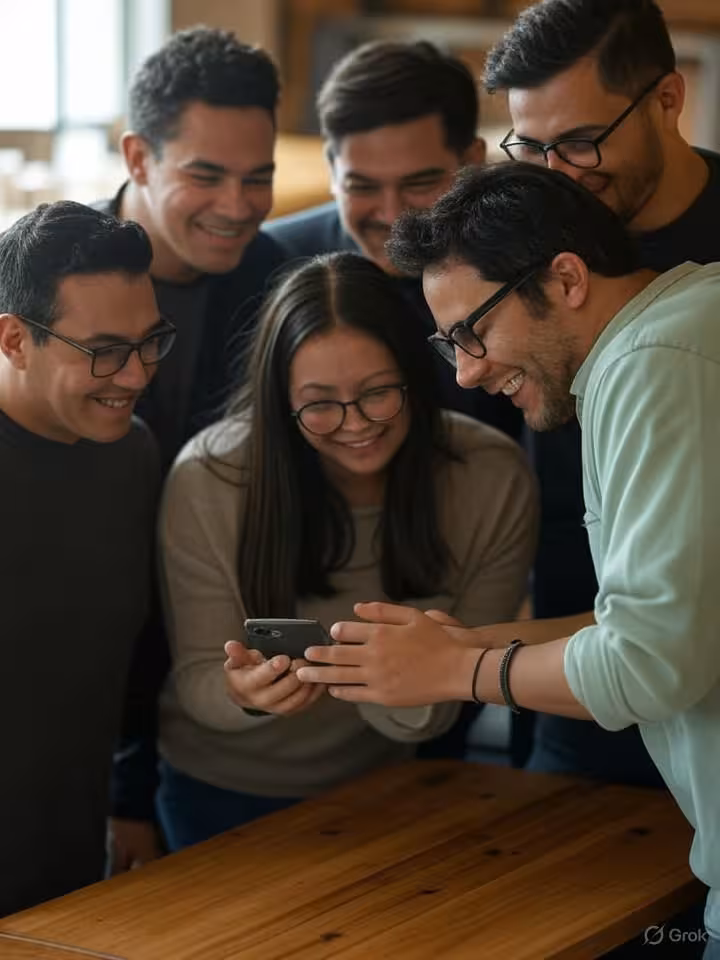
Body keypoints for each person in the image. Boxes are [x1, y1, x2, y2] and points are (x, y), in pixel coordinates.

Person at [295, 163, 720, 958]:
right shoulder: (686, 328)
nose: (466, 372)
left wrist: (455, 675)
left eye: (473, 332)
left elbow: (649, 665)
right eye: (447, 343)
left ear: (564, 280)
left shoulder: (652, 361)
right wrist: (465, 648)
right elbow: (669, 621)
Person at [156, 251, 537, 850]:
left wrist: (399, 679)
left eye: (379, 392)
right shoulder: (212, 475)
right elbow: (200, 679)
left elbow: (457, 691)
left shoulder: (488, 475)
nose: (355, 423)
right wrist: (242, 693)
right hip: (219, 792)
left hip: (391, 789)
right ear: (279, 399)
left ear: (416, 373)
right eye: (319, 403)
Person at [478, 0, 720, 784]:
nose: (558, 178)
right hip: (568, 675)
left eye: (580, 143)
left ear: (668, 99)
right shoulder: (528, 234)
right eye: (531, 147)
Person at [0, 201, 170, 916]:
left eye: (150, 342)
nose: (133, 376)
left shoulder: (132, 454)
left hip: (69, 871)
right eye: (103, 351)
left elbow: (129, 656)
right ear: (14, 339)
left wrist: (129, 802)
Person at [266, 39, 521, 441]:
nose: (391, 215)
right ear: (332, 168)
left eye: (419, 183)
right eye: (362, 186)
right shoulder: (270, 262)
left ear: (473, 161)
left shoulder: (521, 266)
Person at [96, 25, 286, 470]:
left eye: (258, 179)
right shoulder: (42, 274)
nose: (237, 207)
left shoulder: (281, 281)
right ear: (139, 159)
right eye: (205, 177)